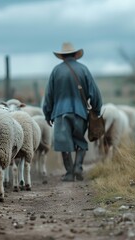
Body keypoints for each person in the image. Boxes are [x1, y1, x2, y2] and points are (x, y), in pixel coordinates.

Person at [42, 42, 103, 181]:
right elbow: (95, 93)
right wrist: (96, 110)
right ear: (76, 55)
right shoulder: (84, 69)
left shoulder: (56, 71)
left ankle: (69, 173)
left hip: (60, 113)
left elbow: (49, 96)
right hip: (80, 112)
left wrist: (47, 114)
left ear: (62, 57)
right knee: (80, 140)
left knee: (64, 143)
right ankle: (78, 168)